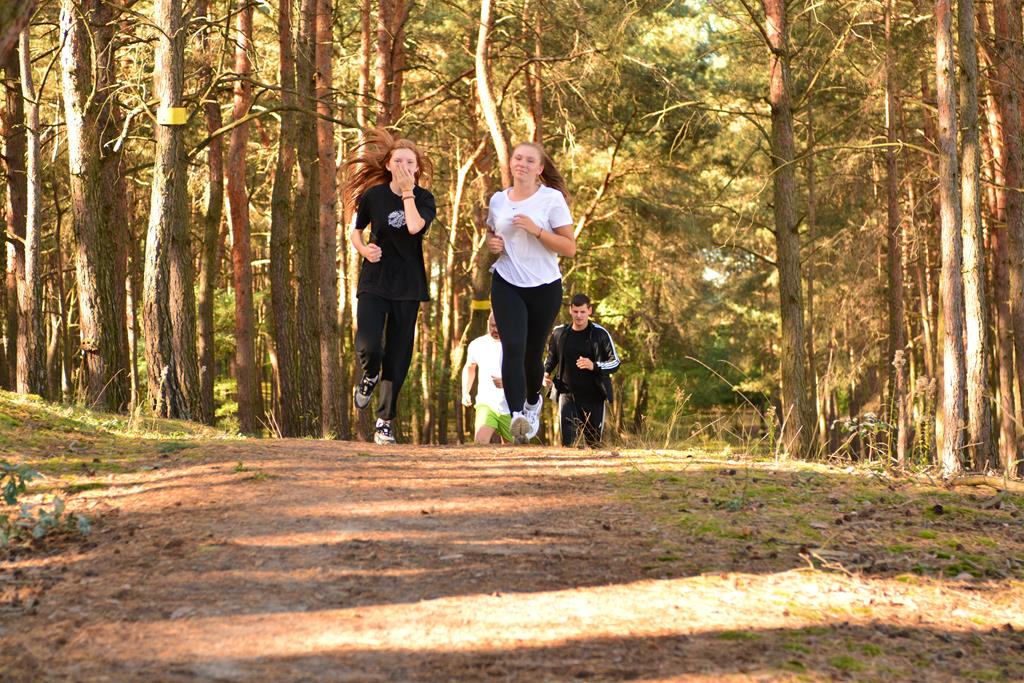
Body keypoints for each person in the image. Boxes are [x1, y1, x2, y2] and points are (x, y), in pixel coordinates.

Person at [344, 129, 436, 445]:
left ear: (417, 168)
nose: (403, 166)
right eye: (398, 161)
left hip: (408, 285)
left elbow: (414, 227)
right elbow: (355, 231)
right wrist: (363, 250)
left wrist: (408, 192)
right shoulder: (373, 196)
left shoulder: (425, 199)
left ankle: (384, 422)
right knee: (368, 343)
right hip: (375, 278)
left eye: (410, 162)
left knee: (398, 355)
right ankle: (369, 374)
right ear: (387, 165)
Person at [487, 142, 576, 443]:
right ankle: (516, 416)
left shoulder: (551, 199)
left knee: (532, 353)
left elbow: (569, 247)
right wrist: (492, 244)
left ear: (539, 168)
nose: (522, 164)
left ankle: (532, 401)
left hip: (544, 286)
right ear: (510, 163)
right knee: (512, 347)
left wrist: (536, 230)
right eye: (517, 158)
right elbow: (492, 233)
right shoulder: (498, 200)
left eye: (529, 160)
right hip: (506, 281)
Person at [543, 294, 621, 447]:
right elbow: (551, 357)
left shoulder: (600, 333)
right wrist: (545, 373)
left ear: (589, 311)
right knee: (569, 444)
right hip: (567, 395)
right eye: (576, 311)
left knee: (594, 444)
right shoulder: (559, 333)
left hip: (594, 396)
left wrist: (594, 365)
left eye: (583, 312)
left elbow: (615, 363)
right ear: (570, 310)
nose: (579, 316)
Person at [461, 312, 512, 444]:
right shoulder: (477, 344)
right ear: (488, 323)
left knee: (515, 449)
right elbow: (470, 367)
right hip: (486, 404)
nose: (496, 330)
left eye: (500, 326)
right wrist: (465, 392)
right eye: (493, 326)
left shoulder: (515, 344)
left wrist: (508, 382)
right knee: (480, 443)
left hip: (511, 406)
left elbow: (527, 372)